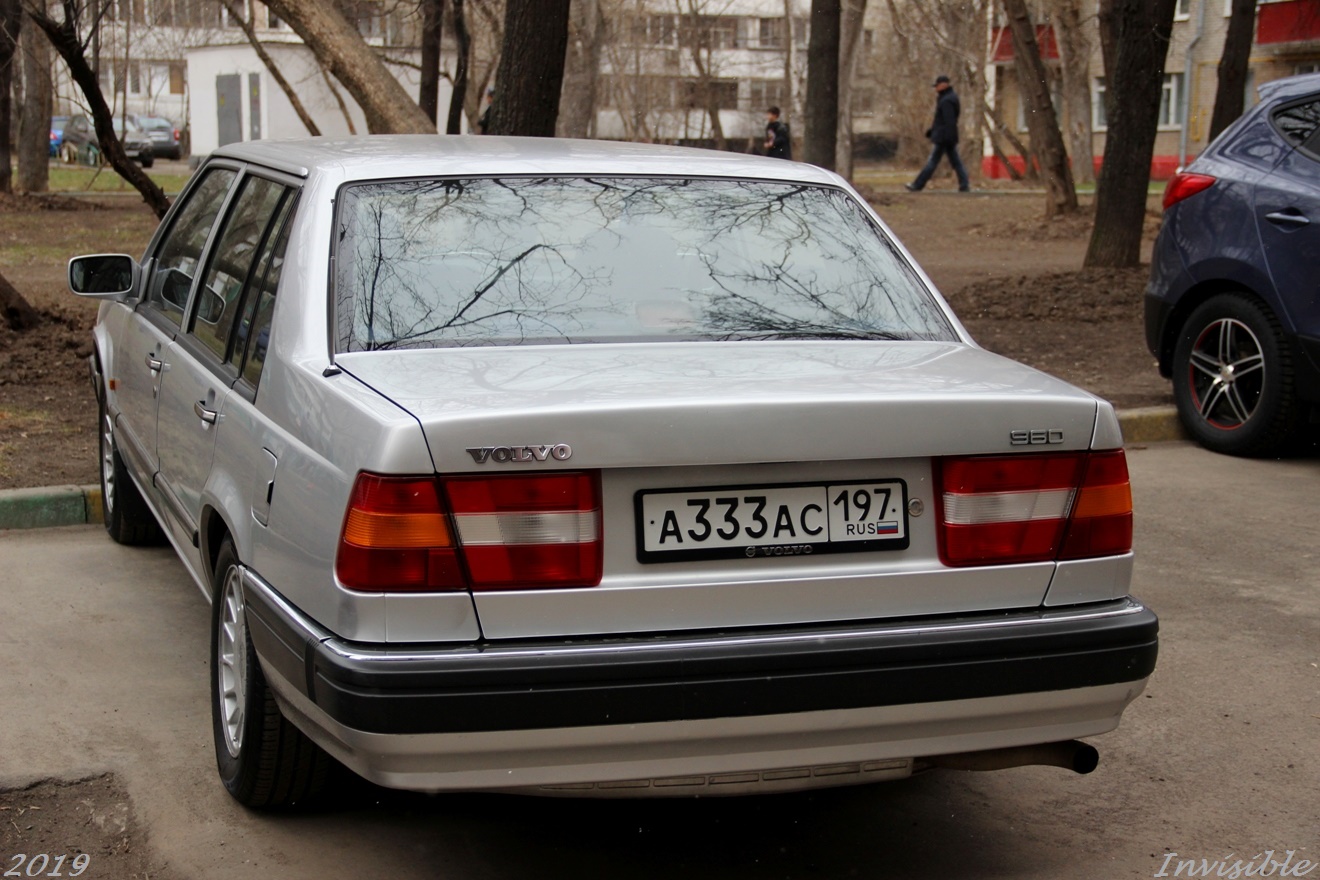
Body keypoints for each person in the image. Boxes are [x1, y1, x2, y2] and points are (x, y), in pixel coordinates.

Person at [906, 75, 970, 193]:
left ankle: (917, 185)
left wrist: (942, 135)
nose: (935, 89)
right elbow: (943, 121)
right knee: (955, 161)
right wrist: (933, 131)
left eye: (937, 86)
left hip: (944, 137)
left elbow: (948, 121)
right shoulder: (948, 98)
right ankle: (964, 184)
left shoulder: (947, 101)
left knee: (933, 161)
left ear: (943, 85)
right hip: (946, 136)